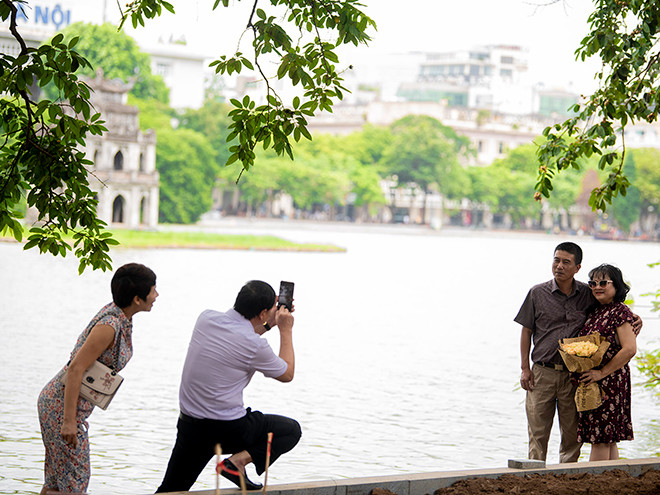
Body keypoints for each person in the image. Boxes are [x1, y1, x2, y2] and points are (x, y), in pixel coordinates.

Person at [156, 280, 301, 493]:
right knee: (290, 431)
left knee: (171, 489)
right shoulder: (255, 345)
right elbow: (287, 374)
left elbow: (241, 339)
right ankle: (237, 463)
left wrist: (270, 323)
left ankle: (234, 465)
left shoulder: (205, 319)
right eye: (270, 309)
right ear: (262, 313)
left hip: (191, 427)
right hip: (228, 430)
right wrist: (285, 330)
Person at [514, 242, 641, 463]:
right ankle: (534, 477)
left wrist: (636, 320)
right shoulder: (537, 293)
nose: (559, 266)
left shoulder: (588, 293)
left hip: (574, 377)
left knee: (573, 436)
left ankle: (567, 479)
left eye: (566, 262)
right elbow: (526, 331)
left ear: (577, 267)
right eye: (556, 260)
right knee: (537, 433)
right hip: (542, 373)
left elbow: (614, 308)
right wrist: (525, 368)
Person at [38, 263, 158, 495]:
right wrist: (69, 422)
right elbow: (75, 369)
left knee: (57, 482)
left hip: (65, 407)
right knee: (75, 483)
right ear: (137, 299)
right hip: (61, 407)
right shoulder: (110, 325)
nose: (156, 295)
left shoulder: (121, 316)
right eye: (153, 290)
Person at [576, 264, 637, 461]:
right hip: (596, 381)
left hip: (609, 381)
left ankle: (593, 483)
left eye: (603, 282)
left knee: (601, 437)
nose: (597, 287)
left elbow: (629, 348)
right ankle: (612, 481)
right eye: (592, 283)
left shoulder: (620, 311)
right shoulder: (596, 311)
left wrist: (601, 373)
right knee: (607, 438)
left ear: (617, 286)